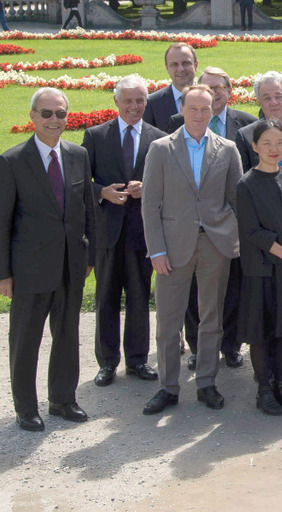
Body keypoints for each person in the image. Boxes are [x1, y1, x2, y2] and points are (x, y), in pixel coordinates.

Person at [141, 84, 242, 415]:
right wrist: (156, 250)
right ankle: (169, 388)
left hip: (214, 245)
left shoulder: (227, 149)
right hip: (172, 247)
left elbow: (235, 200)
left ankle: (206, 383)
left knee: (211, 317)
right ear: (182, 109)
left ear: (214, 111)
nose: (200, 114)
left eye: (206, 108)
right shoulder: (160, 148)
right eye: (193, 108)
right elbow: (150, 205)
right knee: (169, 321)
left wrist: (229, 236)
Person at [1, 87, 96, 432]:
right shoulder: (11, 161)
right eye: (47, 113)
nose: (54, 120)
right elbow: (3, 222)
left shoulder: (78, 155)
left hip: (71, 266)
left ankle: (62, 399)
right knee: (25, 341)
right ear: (33, 117)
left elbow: (87, 208)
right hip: (30, 270)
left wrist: (90, 255)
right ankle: (26, 407)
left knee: (68, 336)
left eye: (60, 114)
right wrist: (4, 274)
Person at [169, 67, 257, 371]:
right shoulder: (175, 127)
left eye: (220, 87)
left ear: (229, 91)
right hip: (190, 227)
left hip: (229, 225)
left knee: (231, 290)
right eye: (208, 87)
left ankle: (231, 345)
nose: (215, 92)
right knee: (196, 295)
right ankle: (197, 346)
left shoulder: (246, 124)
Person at [83, 75, 161, 388]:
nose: (134, 106)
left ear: (147, 101)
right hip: (107, 232)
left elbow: (170, 185)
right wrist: (102, 192)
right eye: (127, 100)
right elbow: (80, 183)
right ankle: (107, 362)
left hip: (142, 233)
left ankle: (138, 360)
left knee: (141, 297)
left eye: (140, 100)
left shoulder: (158, 138)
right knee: (106, 297)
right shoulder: (96, 135)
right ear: (116, 101)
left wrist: (149, 188)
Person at [235, 121, 282, 415]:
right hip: (263, 271)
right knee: (263, 331)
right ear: (254, 147)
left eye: (279, 142)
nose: (273, 149)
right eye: (266, 143)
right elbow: (253, 231)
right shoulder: (246, 184)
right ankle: (264, 390)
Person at [167, 66, 258, 143]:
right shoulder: (178, 122)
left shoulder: (248, 123)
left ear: (229, 91)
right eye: (208, 88)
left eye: (218, 88)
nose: (213, 93)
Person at [144, 43, 197, 133]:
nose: (181, 69)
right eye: (174, 64)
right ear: (166, 68)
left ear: (195, 65)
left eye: (186, 63)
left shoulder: (211, 98)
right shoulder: (152, 103)